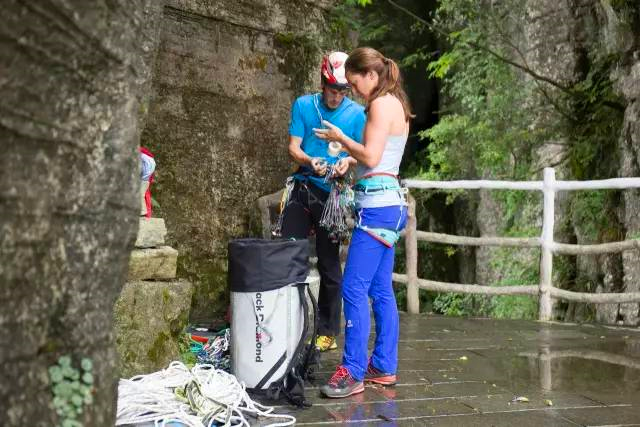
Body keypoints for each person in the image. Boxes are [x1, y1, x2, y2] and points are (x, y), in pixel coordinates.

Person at [313, 47, 414, 398]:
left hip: (376, 209)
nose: (354, 92)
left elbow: (370, 154)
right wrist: (349, 163)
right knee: (380, 289)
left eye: (355, 84)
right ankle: (383, 366)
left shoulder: (379, 104)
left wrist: (341, 140)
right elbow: (378, 160)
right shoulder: (396, 101)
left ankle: (352, 370)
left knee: (354, 287)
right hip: (391, 204)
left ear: (370, 76)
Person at [280, 51, 367, 352]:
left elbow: (364, 153)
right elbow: (293, 148)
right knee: (291, 255)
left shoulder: (356, 114)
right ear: (322, 83)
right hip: (304, 186)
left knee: (330, 263)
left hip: (334, 194)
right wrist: (309, 160)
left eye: (342, 91)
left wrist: (348, 162)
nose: (336, 96)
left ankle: (327, 330)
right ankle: (287, 323)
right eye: (332, 89)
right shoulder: (304, 105)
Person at [139, 147, 156, 218]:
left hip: (144, 179)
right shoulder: (149, 158)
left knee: (143, 195)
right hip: (146, 178)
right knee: (145, 195)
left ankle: (145, 212)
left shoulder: (143, 155)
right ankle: (147, 213)